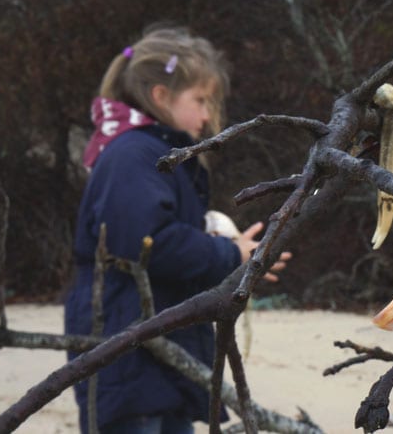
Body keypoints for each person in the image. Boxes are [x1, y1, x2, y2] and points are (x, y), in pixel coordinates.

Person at [64, 26, 288, 433]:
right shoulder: (134, 154)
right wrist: (228, 254)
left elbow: (155, 235)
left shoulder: (149, 152)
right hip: (130, 361)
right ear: (161, 97)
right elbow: (150, 243)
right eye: (200, 100)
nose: (207, 115)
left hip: (150, 362)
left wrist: (238, 259)